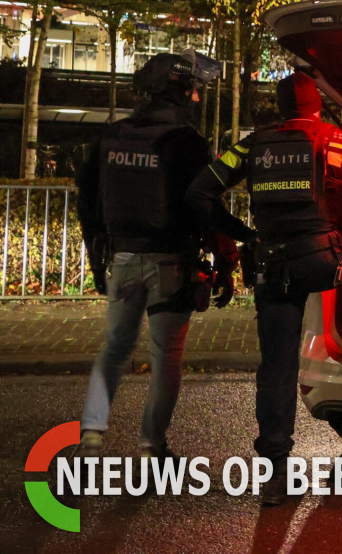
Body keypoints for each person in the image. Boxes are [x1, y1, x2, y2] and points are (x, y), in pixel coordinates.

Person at [186, 71, 342, 505]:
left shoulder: (252, 144)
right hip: (327, 263)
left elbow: (198, 194)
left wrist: (246, 235)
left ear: (281, 105)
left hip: (272, 266)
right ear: (317, 104)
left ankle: (275, 477)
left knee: (276, 368)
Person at [75, 51, 235, 460]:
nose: (196, 99)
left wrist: (98, 266)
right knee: (166, 359)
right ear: (178, 91)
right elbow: (204, 206)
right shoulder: (187, 143)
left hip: (123, 260)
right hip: (172, 265)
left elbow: (89, 205)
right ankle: (151, 444)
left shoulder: (111, 136)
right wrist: (226, 261)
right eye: (193, 91)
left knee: (115, 347)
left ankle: (92, 432)